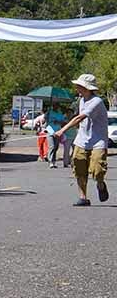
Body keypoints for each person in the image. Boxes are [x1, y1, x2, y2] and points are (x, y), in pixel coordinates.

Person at [55, 74, 109, 206]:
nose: (77, 88)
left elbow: (80, 118)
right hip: (81, 140)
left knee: (97, 171)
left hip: (98, 141)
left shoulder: (96, 101)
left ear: (87, 88)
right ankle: (83, 197)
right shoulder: (81, 101)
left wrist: (62, 130)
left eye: (79, 86)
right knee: (79, 168)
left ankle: (101, 185)